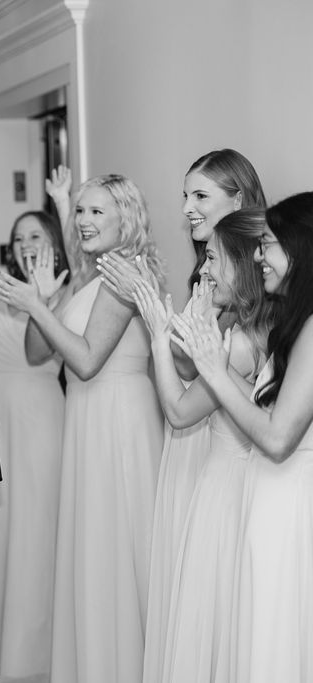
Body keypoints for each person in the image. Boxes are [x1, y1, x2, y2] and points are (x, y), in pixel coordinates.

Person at [91, 151, 266, 683]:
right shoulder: (208, 270)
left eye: (200, 197)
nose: (188, 208)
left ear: (238, 200)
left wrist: (160, 321)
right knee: (185, 579)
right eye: (186, 196)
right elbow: (197, 368)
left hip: (221, 440)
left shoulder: (249, 278)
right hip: (196, 434)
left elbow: (214, 364)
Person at [0, 173, 164, 683]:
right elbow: (39, 351)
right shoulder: (96, 276)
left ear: (124, 219)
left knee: (115, 542)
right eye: (79, 211)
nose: (83, 221)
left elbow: (86, 361)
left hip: (116, 414)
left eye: (94, 212)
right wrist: (42, 305)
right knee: (93, 544)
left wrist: (37, 306)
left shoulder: (125, 275)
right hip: (89, 414)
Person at [172, 192, 313, 683]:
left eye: (268, 245)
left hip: (292, 496)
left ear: (300, 250)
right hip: (270, 492)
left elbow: (275, 438)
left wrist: (214, 367)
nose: (258, 256)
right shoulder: (293, 325)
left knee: (279, 639)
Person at [132, 209, 271, 683]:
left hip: (225, 493)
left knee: (212, 622)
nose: (205, 269)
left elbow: (177, 410)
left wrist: (157, 335)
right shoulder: (256, 327)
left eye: (213, 257)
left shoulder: (239, 343)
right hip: (236, 483)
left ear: (242, 264)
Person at [0, 207, 68, 683]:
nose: (27, 243)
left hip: (41, 414)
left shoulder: (66, 289)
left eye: (37, 235)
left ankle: (32, 657)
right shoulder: (1, 291)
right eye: (19, 236)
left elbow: (35, 352)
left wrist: (42, 300)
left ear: (54, 242)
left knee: (37, 529)